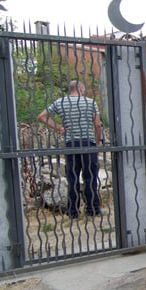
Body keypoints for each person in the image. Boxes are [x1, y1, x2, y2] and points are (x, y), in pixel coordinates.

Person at [38, 80, 104, 218]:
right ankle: (93, 209)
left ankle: (73, 211)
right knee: (90, 177)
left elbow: (42, 117)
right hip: (88, 143)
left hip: (71, 144)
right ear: (80, 88)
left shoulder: (60, 102)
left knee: (72, 178)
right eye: (84, 89)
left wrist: (59, 128)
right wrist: (97, 143)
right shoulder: (90, 102)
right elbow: (98, 125)